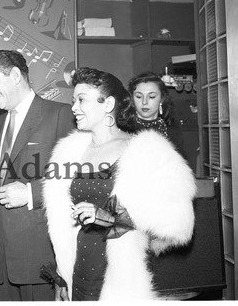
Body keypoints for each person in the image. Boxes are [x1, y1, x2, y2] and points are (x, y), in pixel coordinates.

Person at [43, 67, 196, 300]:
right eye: (74, 100)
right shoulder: (69, 152)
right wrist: (62, 273)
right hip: (78, 266)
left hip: (120, 272)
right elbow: (62, 221)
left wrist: (108, 217)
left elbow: (174, 225)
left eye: (81, 100)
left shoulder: (143, 151)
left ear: (108, 104)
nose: (73, 107)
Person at [0, 49, 75, 301]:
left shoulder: (60, 115)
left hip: (39, 254)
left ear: (16, 75)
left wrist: (30, 193)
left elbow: (76, 178)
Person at [128, 71, 184, 154]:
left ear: (161, 99)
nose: (144, 102)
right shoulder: (123, 129)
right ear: (132, 98)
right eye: (139, 96)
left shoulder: (172, 131)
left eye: (151, 96)